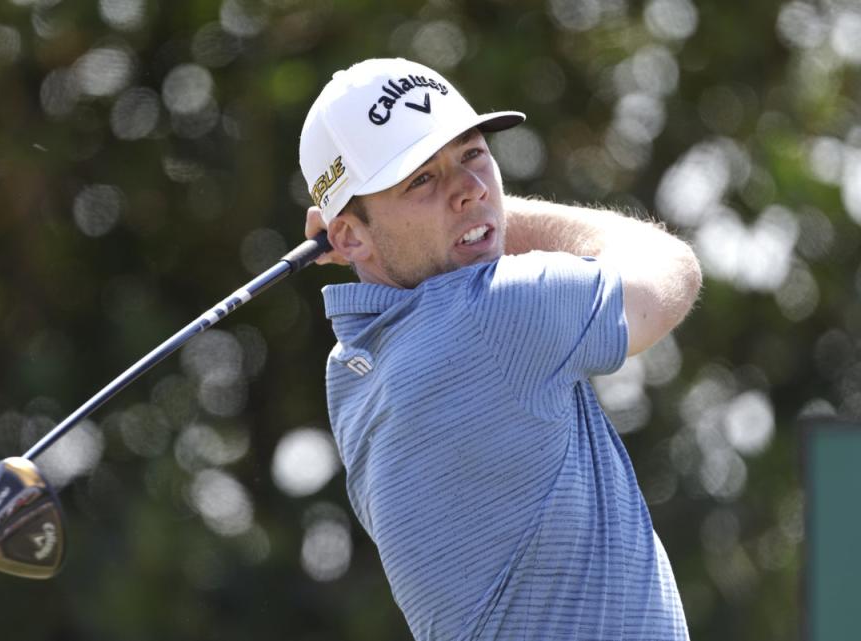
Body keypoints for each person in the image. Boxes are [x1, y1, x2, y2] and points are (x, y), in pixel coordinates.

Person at [298, 57, 701, 640]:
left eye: (472, 154)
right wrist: (489, 217)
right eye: (420, 179)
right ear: (347, 236)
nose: (471, 189)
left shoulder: (354, 373)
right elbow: (670, 271)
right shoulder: (495, 315)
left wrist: (382, 231)